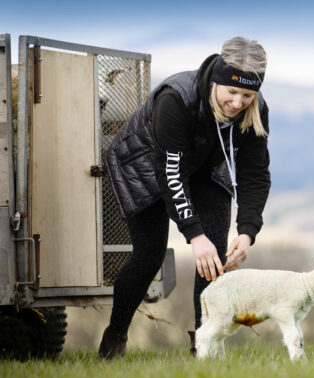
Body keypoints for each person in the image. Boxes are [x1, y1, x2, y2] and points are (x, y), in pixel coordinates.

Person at [99, 36, 271, 359]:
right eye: (231, 92)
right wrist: (194, 233)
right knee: (148, 257)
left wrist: (248, 232)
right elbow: (171, 172)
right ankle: (114, 338)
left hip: (204, 165)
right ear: (218, 79)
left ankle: (203, 349)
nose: (237, 103)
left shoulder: (255, 111)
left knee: (213, 259)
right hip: (147, 167)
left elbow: (255, 174)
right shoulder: (176, 99)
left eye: (246, 95)